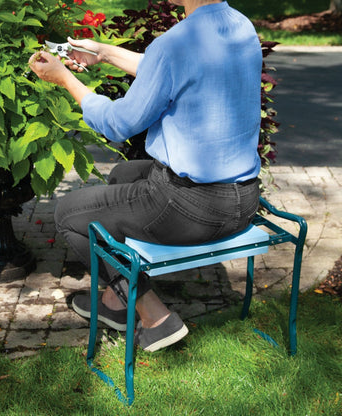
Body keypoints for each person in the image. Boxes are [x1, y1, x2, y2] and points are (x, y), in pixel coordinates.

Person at [28, 0, 262, 352]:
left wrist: (66, 80)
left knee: (70, 215)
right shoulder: (240, 25)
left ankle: (156, 318)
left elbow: (118, 125)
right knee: (123, 174)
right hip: (243, 198)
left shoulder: (177, 42)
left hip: (193, 208)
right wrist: (104, 53)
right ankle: (116, 302)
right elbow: (169, 72)